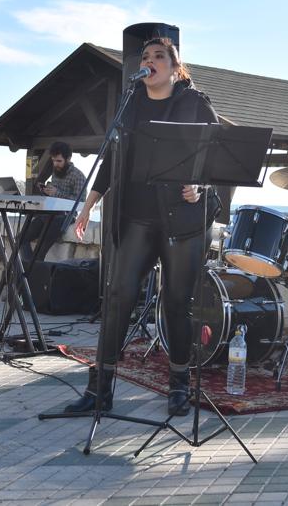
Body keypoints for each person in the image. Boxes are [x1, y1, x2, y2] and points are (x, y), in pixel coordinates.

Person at [64, 37, 220, 417]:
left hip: (183, 222)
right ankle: (100, 390)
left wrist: (200, 186)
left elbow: (218, 154)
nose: (150, 62)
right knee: (118, 296)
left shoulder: (195, 103)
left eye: (159, 56)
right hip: (137, 217)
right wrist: (88, 207)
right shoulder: (130, 104)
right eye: (146, 57)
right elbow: (112, 159)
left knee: (176, 303)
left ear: (175, 66)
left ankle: (179, 387)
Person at [19, 141, 86, 263]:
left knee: (39, 251)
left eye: (59, 161)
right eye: (53, 160)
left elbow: (80, 203)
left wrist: (56, 193)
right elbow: (54, 196)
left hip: (64, 217)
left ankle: (29, 277)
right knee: (21, 238)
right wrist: (45, 191)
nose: (55, 164)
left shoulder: (78, 176)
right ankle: (28, 274)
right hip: (48, 213)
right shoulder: (55, 173)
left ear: (68, 158)